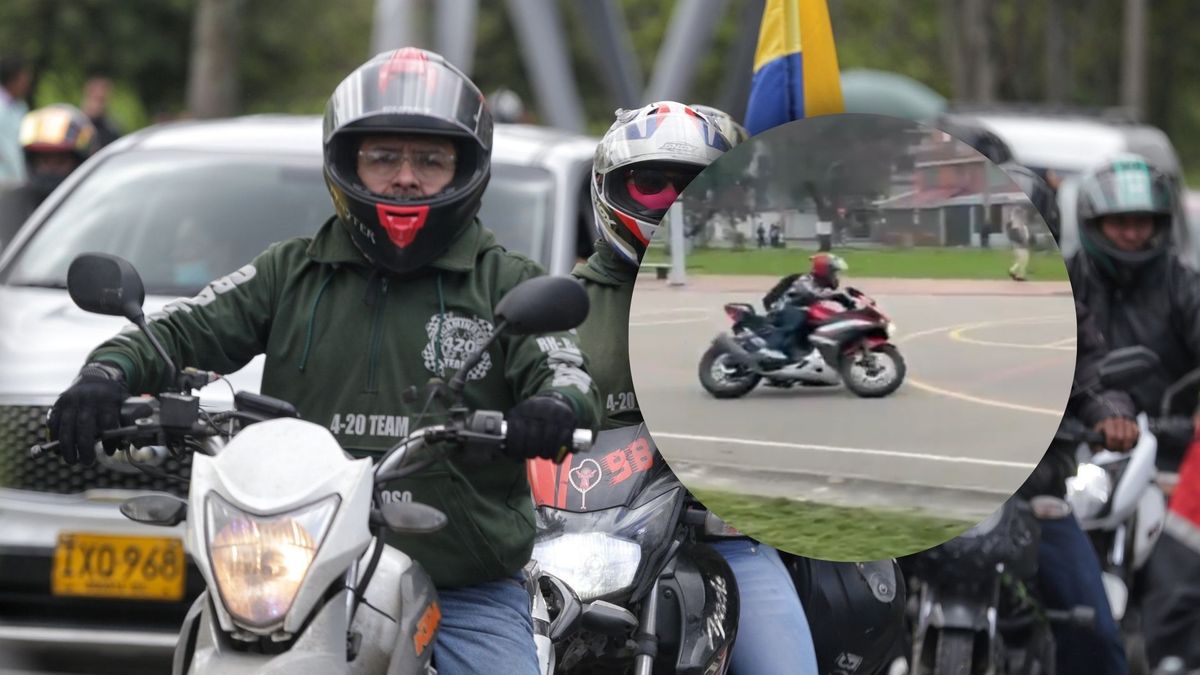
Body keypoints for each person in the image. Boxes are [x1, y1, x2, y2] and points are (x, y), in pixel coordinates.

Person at [44, 47, 602, 675]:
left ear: (466, 168)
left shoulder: (505, 284)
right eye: (384, 158)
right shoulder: (291, 271)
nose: (406, 179)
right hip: (290, 572)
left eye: (430, 160)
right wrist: (104, 375)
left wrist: (552, 410)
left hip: (461, 585)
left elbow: (566, 374)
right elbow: (177, 330)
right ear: (348, 165)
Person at [574, 100, 821, 674]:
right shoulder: (563, 307)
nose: (672, 204)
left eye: (697, 188)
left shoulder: (753, 302)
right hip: (582, 546)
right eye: (652, 184)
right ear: (610, 188)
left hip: (723, 541)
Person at [1063, 153, 1200, 669]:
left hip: (1166, 456)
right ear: (1095, 223)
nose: (1131, 234)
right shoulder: (1067, 283)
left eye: (1141, 223)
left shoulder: (1183, 285)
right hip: (1076, 444)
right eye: (1120, 222)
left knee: (1178, 574)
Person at [0, 104, 97, 248]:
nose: (50, 169)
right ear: (31, 162)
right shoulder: (10, 204)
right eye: (44, 161)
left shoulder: (97, 210)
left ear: (80, 162)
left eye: (60, 161)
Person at [757, 252, 852, 364]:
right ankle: (771, 349)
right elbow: (811, 293)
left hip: (794, 311)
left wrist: (849, 304)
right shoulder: (806, 279)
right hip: (781, 311)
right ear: (824, 271)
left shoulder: (821, 285)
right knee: (800, 315)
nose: (835, 277)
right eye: (833, 273)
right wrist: (837, 295)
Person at [0, 53, 32, 184]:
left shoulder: (20, 107)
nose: (28, 81)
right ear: (13, 78)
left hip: (17, 181)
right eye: (24, 76)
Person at [81, 76, 122, 149]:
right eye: (96, 99)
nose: (99, 105)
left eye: (103, 100)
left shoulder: (111, 130)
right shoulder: (77, 125)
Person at [1005, 200, 1033, 281]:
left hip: (1018, 246)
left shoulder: (1019, 225)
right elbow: (1022, 236)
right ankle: (1019, 275)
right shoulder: (1019, 225)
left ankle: (1014, 271)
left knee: (1020, 260)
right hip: (1021, 246)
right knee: (1024, 260)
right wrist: (1025, 242)